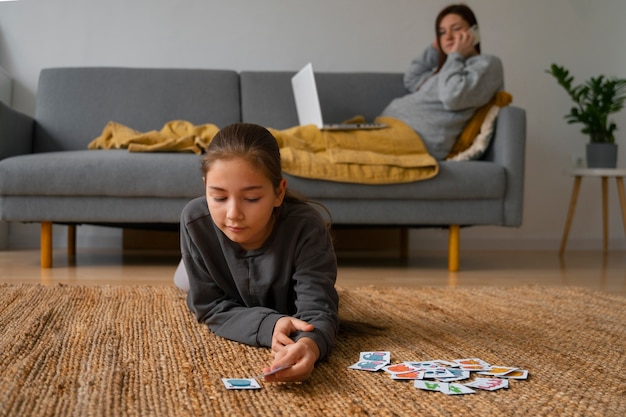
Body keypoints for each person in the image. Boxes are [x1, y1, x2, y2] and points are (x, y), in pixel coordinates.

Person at [176, 122, 340, 383]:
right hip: (207, 268)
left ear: (279, 192)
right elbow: (208, 307)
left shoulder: (307, 227)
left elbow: (318, 311)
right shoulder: (195, 220)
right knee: (184, 282)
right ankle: (187, 264)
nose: (233, 215)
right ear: (205, 186)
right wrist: (269, 325)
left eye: (251, 199)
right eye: (218, 198)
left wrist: (311, 344)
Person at [381, 3, 504, 160]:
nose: (448, 36)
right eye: (442, 32)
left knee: (340, 145)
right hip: (389, 128)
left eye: (456, 29)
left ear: (474, 32)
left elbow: (453, 98)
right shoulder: (446, 71)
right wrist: (435, 48)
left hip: (416, 140)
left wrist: (455, 55)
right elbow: (411, 79)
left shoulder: (486, 64)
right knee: (340, 138)